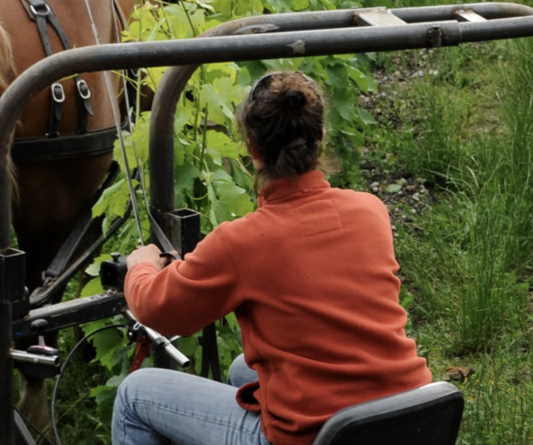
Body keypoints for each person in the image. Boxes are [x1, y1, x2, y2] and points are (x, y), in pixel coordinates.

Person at [112, 70, 431, 445]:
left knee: (135, 395)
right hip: (405, 419)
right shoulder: (370, 211)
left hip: (314, 437)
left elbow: (155, 310)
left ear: (252, 148)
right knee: (242, 370)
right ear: (321, 136)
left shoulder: (244, 241)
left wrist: (142, 266)